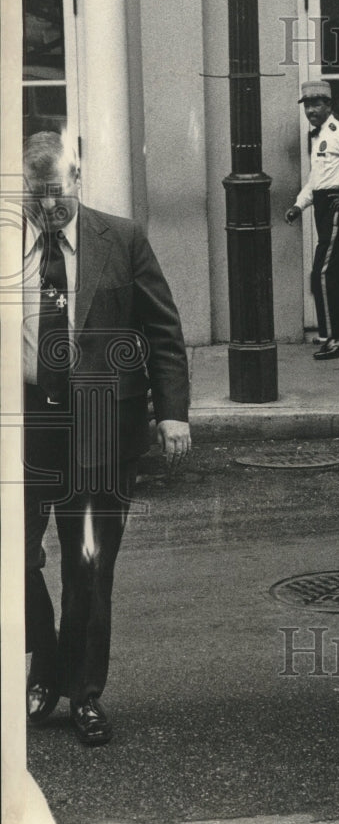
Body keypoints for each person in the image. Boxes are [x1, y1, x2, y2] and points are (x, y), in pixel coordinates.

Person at [22, 131, 191, 745]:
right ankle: (47, 661)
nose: (47, 209)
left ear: (78, 180)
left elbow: (163, 330)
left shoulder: (120, 239)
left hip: (99, 429)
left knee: (89, 567)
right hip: (23, 432)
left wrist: (172, 411)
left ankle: (84, 692)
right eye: (35, 195)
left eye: (57, 195)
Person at [285, 80, 339, 360]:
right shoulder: (318, 136)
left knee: (322, 271)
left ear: (329, 106)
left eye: (317, 104)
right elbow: (316, 180)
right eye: (307, 105)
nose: (311, 110)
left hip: (337, 208)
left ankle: (336, 336)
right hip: (322, 206)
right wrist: (299, 205)